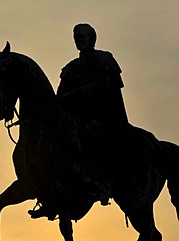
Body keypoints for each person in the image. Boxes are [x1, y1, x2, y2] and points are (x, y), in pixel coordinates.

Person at [29, 23, 130, 220]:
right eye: (76, 36)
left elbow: (106, 86)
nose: (79, 39)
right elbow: (59, 97)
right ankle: (49, 197)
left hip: (100, 117)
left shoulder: (104, 59)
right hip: (74, 119)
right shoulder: (70, 69)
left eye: (83, 36)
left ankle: (99, 183)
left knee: (88, 138)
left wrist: (75, 96)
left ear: (92, 39)